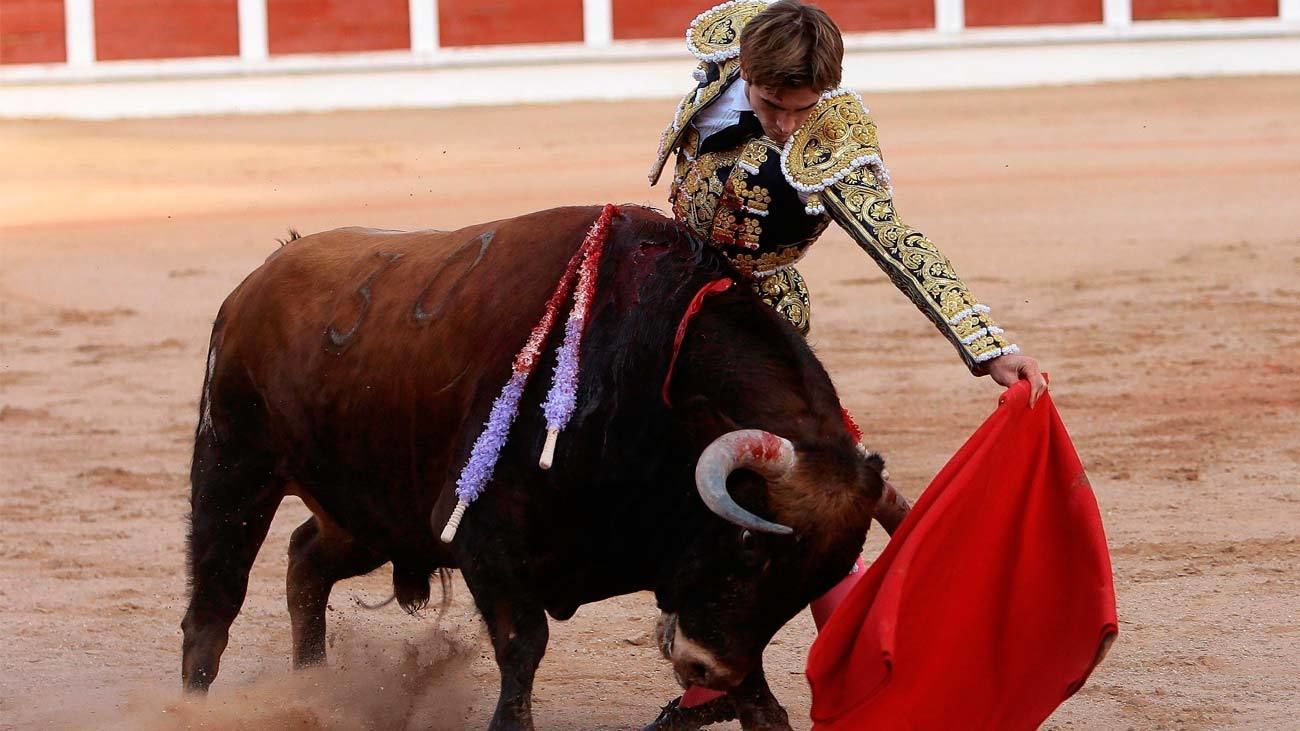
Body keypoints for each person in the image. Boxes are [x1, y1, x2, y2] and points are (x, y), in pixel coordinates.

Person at [644, 1, 1047, 728]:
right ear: (743, 68)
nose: (789, 125)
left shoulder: (835, 146)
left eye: (805, 109)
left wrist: (989, 346)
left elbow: (900, 245)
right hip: (664, 287)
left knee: (817, 498)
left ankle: (870, 674)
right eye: (773, 105)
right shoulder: (723, 50)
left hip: (757, 322)